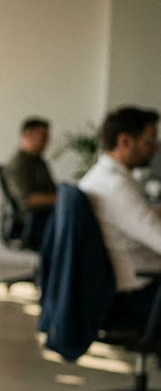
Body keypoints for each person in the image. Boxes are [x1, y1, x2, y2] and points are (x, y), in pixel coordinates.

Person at [78, 106, 161, 331]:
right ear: (125, 141)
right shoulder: (117, 186)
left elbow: (136, 218)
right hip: (137, 295)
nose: (155, 149)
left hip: (121, 286)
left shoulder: (102, 176)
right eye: (150, 141)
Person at [4, 116, 57, 210]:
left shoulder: (37, 161)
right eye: (43, 136)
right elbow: (27, 200)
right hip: (37, 217)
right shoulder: (18, 164)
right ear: (27, 136)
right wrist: (62, 198)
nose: (47, 140)